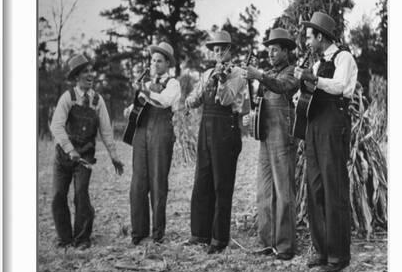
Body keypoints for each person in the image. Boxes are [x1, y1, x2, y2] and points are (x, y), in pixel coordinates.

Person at [293, 12, 358, 272]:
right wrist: (301, 88)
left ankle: (338, 256)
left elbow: (341, 86)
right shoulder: (318, 63)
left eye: (310, 36)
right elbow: (308, 93)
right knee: (315, 187)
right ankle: (321, 250)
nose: (307, 41)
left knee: (334, 189)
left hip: (333, 125)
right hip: (314, 126)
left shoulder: (344, 58)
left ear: (320, 36)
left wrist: (314, 81)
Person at [50, 54, 124, 249]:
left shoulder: (98, 101)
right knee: (58, 195)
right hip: (63, 157)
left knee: (81, 194)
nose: (90, 75)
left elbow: (106, 131)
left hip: (86, 157)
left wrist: (114, 156)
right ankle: (65, 238)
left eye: (91, 71)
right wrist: (70, 149)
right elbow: (56, 126)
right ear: (76, 77)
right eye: (85, 72)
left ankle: (82, 238)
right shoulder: (68, 97)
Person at [185, 30, 246, 254]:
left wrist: (221, 80)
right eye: (215, 50)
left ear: (230, 50)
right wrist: (188, 100)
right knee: (202, 179)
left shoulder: (238, 73)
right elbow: (195, 99)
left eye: (223, 49)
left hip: (226, 130)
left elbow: (227, 99)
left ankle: (219, 238)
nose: (219, 53)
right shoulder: (207, 73)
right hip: (206, 129)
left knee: (222, 184)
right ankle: (199, 233)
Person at [243, 28, 299, 260]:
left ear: (286, 51)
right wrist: (251, 117)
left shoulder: (293, 71)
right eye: (269, 50)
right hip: (266, 135)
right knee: (264, 190)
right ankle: (267, 242)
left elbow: (284, 87)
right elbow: (260, 103)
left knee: (283, 190)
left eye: (275, 50)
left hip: (283, 135)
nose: (271, 54)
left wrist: (259, 76)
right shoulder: (268, 74)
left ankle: (285, 246)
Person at [126, 42, 181, 245]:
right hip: (142, 134)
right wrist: (130, 108)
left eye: (159, 61)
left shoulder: (173, 84)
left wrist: (145, 93)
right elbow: (139, 105)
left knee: (158, 182)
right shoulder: (147, 84)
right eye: (152, 60)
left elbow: (163, 102)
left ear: (167, 63)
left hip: (161, 132)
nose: (155, 64)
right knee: (138, 182)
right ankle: (138, 233)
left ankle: (158, 234)